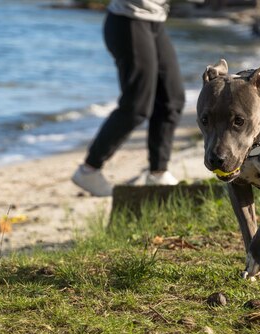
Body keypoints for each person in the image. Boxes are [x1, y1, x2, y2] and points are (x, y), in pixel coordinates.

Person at [71, 0, 185, 197]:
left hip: (155, 19)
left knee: (172, 99)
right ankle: (89, 170)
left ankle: (158, 173)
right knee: (136, 106)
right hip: (128, 19)